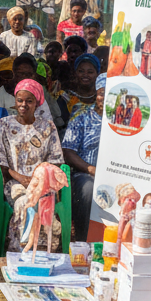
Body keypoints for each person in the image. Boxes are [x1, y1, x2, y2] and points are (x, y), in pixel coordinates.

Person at [0, 79, 65, 249]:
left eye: (29, 101)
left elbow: (55, 160)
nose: (23, 105)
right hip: (15, 183)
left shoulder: (47, 126)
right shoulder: (4, 125)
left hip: (43, 183)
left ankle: (43, 250)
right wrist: (22, 178)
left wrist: (39, 181)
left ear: (37, 103)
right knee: (24, 203)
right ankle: (21, 250)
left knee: (43, 202)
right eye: (20, 100)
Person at [63, 75, 106, 238]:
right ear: (96, 93)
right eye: (102, 93)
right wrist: (91, 169)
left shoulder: (121, 122)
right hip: (85, 174)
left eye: (111, 94)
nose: (105, 97)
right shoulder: (81, 117)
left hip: (114, 175)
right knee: (88, 188)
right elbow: (68, 150)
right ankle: (84, 240)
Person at [61, 53, 100, 121]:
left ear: (97, 74)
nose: (85, 75)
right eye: (81, 71)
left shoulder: (102, 99)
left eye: (90, 72)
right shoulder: (65, 98)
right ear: (75, 73)